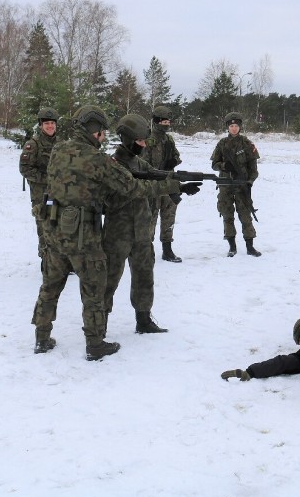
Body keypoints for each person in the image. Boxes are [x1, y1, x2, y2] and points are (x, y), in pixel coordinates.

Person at [30, 106, 187, 360]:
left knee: (50, 285)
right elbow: (131, 187)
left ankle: (41, 336)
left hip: (53, 226)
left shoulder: (58, 149)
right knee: (94, 288)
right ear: (95, 131)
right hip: (83, 232)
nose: (104, 137)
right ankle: (95, 344)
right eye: (102, 132)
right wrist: (171, 186)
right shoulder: (98, 160)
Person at [102, 114, 200, 335]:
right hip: (118, 231)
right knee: (108, 279)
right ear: (127, 139)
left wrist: (181, 183)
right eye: (140, 142)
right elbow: (138, 188)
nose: (144, 145)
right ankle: (99, 324)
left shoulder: (138, 162)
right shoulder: (112, 164)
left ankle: (144, 319)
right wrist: (174, 187)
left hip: (143, 230)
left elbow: (157, 175)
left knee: (144, 275)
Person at [210, 112, 261, 257]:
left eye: (236, 126)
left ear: (240, 127)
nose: (233, 128)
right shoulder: (222, 144)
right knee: (227, 215)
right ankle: (232, 247)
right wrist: (225, 166)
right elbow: (214, 164)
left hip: (242, 186)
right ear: (227, 127)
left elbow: (254, 170)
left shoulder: (247, 144)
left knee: (245, 216)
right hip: (225, 186)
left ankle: (250, 247)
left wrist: (249, 182)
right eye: (231, 126)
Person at [141, 105, 184, 262]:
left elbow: (177, 156)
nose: (166, 124)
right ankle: (146, 251)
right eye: (164, 121)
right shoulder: (148, 140)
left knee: (169, 217)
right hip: (153, 185)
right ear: (157, 121)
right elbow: (143, 163)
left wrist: (173, 162)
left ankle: (167, 250)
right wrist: (158, 170)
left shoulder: (169, 140)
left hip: (169, 184)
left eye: (168, 122)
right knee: (150, 219)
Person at [19, 106, 60, 257]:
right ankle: (46, 260)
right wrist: (47, 179)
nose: (50, 126)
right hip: (40, 194)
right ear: (41, 125)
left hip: (60, 193)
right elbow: (25, 169)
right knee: (44, 226)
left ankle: (60, 261)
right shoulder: (33, 144)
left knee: (60, 226)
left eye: (52, 123)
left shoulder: (62, 144)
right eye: (46, 123)